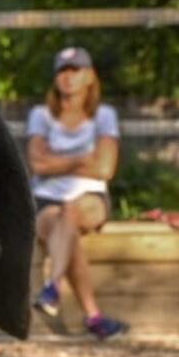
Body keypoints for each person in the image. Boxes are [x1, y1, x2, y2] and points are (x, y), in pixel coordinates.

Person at [26, 45, 128, 340]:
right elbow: (36, 163)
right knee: (64, 222)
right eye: (63, 71)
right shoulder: (41, 114)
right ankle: (93, 317)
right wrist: (82, 160)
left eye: (76, 70)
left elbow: (105, 169)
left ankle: (52, 286)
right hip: (46, 200)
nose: (68, 77)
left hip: (91, 198)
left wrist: (55, 163)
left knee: (69, 210)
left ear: (90, 76)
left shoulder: (104, 115)